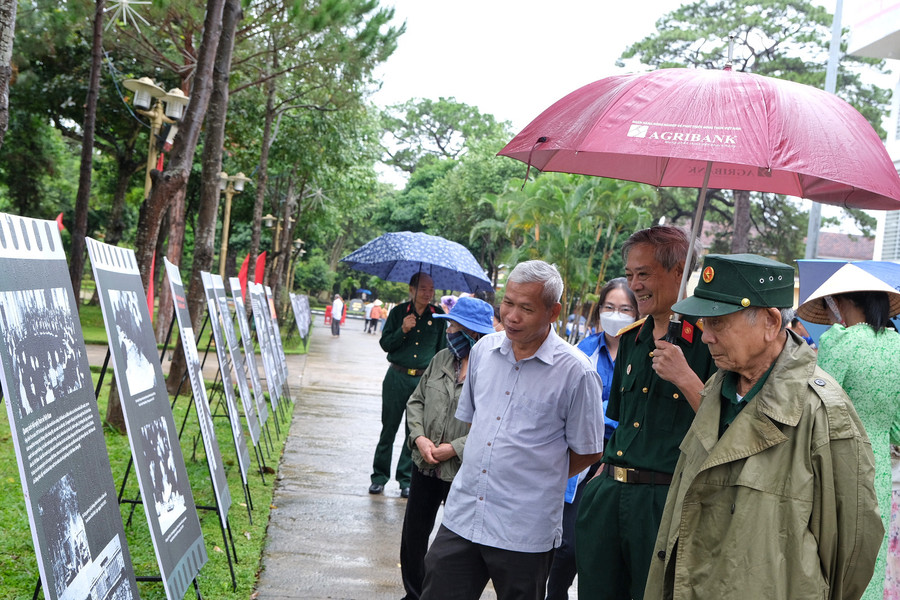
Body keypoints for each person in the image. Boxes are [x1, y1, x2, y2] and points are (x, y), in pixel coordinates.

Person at [644, 253, 883, 600]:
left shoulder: (822, 411)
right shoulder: (716, 389)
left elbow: (852, 548)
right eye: (704, 323)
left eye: (718, 322)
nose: (706, 336)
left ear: (771, 322)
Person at [420, 260, 605, 600]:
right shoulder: (483, 351)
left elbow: (589, 450)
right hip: (464, 514)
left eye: (526, 308)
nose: (512, 316)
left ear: (553, 312)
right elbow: (476, 424)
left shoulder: (576, 372)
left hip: (524, 529)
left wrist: (536, 475)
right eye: (508, 303)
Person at [575, 225, 716, 600]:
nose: (635, 285)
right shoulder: (631, 339)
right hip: (608, 496)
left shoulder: (709, 342)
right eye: (630, 274)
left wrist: (685, 378)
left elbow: (728, 429)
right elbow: (621, 423)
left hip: (662, 503)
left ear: (679, 272)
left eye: (644, 274)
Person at [797, 282, 900, 600]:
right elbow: (897, 428)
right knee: (869, 558)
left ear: (843, 302)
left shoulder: (839, 341)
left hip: (838, 461)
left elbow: (817, 405)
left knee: (830, 556)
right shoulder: (897, 345)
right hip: (879, 468)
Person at [545, 277, 637, 600]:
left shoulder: (643, 352)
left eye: (625, 309)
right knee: (567, 545)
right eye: (610, 307)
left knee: (605, 550)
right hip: (583, 454)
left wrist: (601, 413)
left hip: (624, 457)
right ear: (599, 311)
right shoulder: (584, 351)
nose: (616, 315)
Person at [400, 296, 496, 600]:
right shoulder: (442, 358)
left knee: (452, 545)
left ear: (472, 333)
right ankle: (414, 593)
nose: (449, 331)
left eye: (454, 326)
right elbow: (416, 401)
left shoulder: (491, 371)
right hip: (424, 464)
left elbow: (492, 426)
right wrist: (419, 438)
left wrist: (454, 449)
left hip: (460, 472)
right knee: (413, 536)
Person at [369, 272, 446, 497]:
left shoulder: (438, 316)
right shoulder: (398, 313)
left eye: (431, 289)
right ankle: (379, 477)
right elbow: (385, 344)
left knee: (414, 432)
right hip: (397, 377)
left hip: (423, 382)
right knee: (388, 428)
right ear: (411, 289)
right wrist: (402, 330)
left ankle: (405, 480)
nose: (428, 293)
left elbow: (442, 352)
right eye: (423, 288)